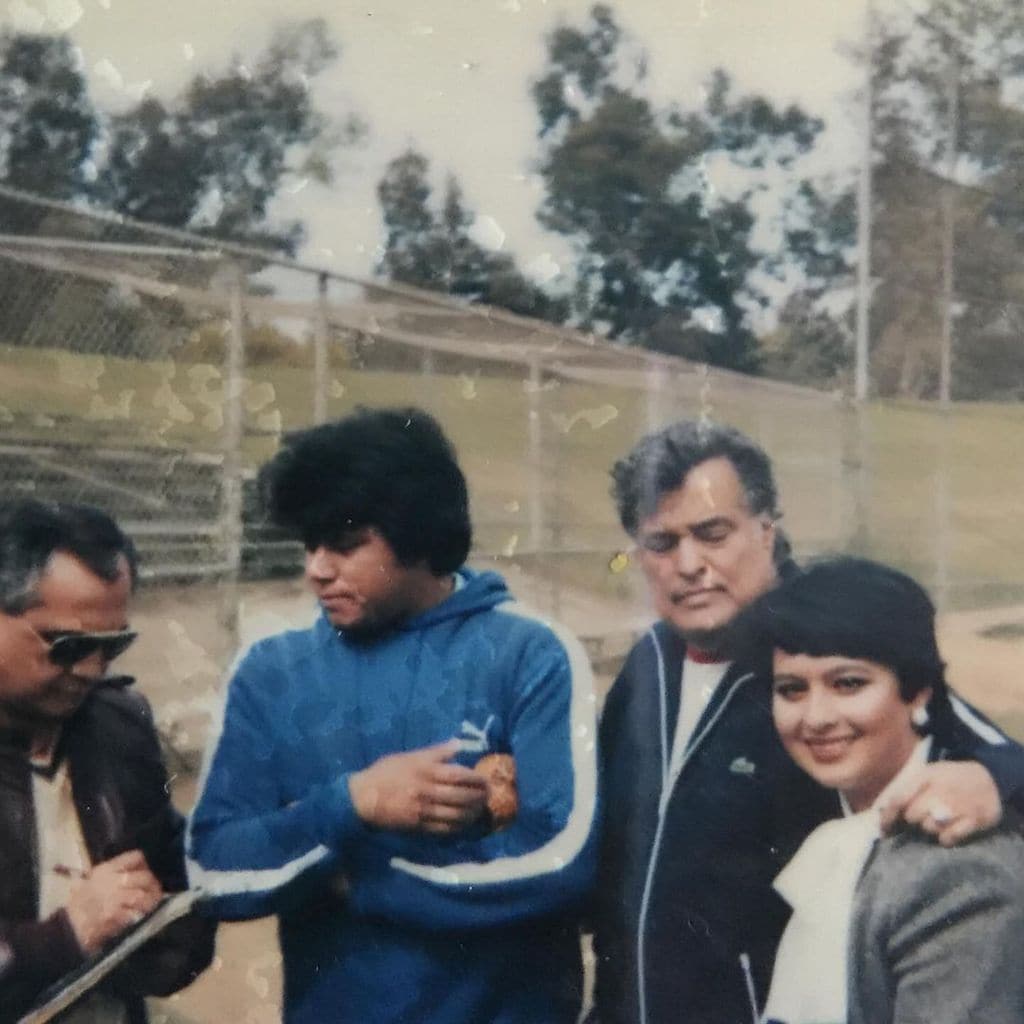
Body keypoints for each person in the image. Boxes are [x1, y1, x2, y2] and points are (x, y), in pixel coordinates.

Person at [592, 419, 1024, 1024]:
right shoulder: (648, 665)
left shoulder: (817, 646)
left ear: (766, 531)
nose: (688, 564)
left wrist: (992, 777)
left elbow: (970, 741)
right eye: (662, 543)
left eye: (712, 533)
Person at [188, 407, 598, 1024]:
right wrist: (352, 804)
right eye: (309, 544)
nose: (317, 569)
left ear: (417, 533)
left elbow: (562, 859)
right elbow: (214, 868)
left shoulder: (530, 653)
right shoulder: (271, 671)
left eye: (346, 545)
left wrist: (368, 884)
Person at [752, 557, 1024, 1024]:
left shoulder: (958, 871)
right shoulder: (821, 807)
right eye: (792, 689)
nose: (815, 717)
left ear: (918, 690)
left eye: (848, 683)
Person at [0, 499, 215, 1024]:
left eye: (112, 645)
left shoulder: (119, 725)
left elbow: (176, 896)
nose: (92, 669)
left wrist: (168, 932)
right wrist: (66, 936)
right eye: (69, 645)